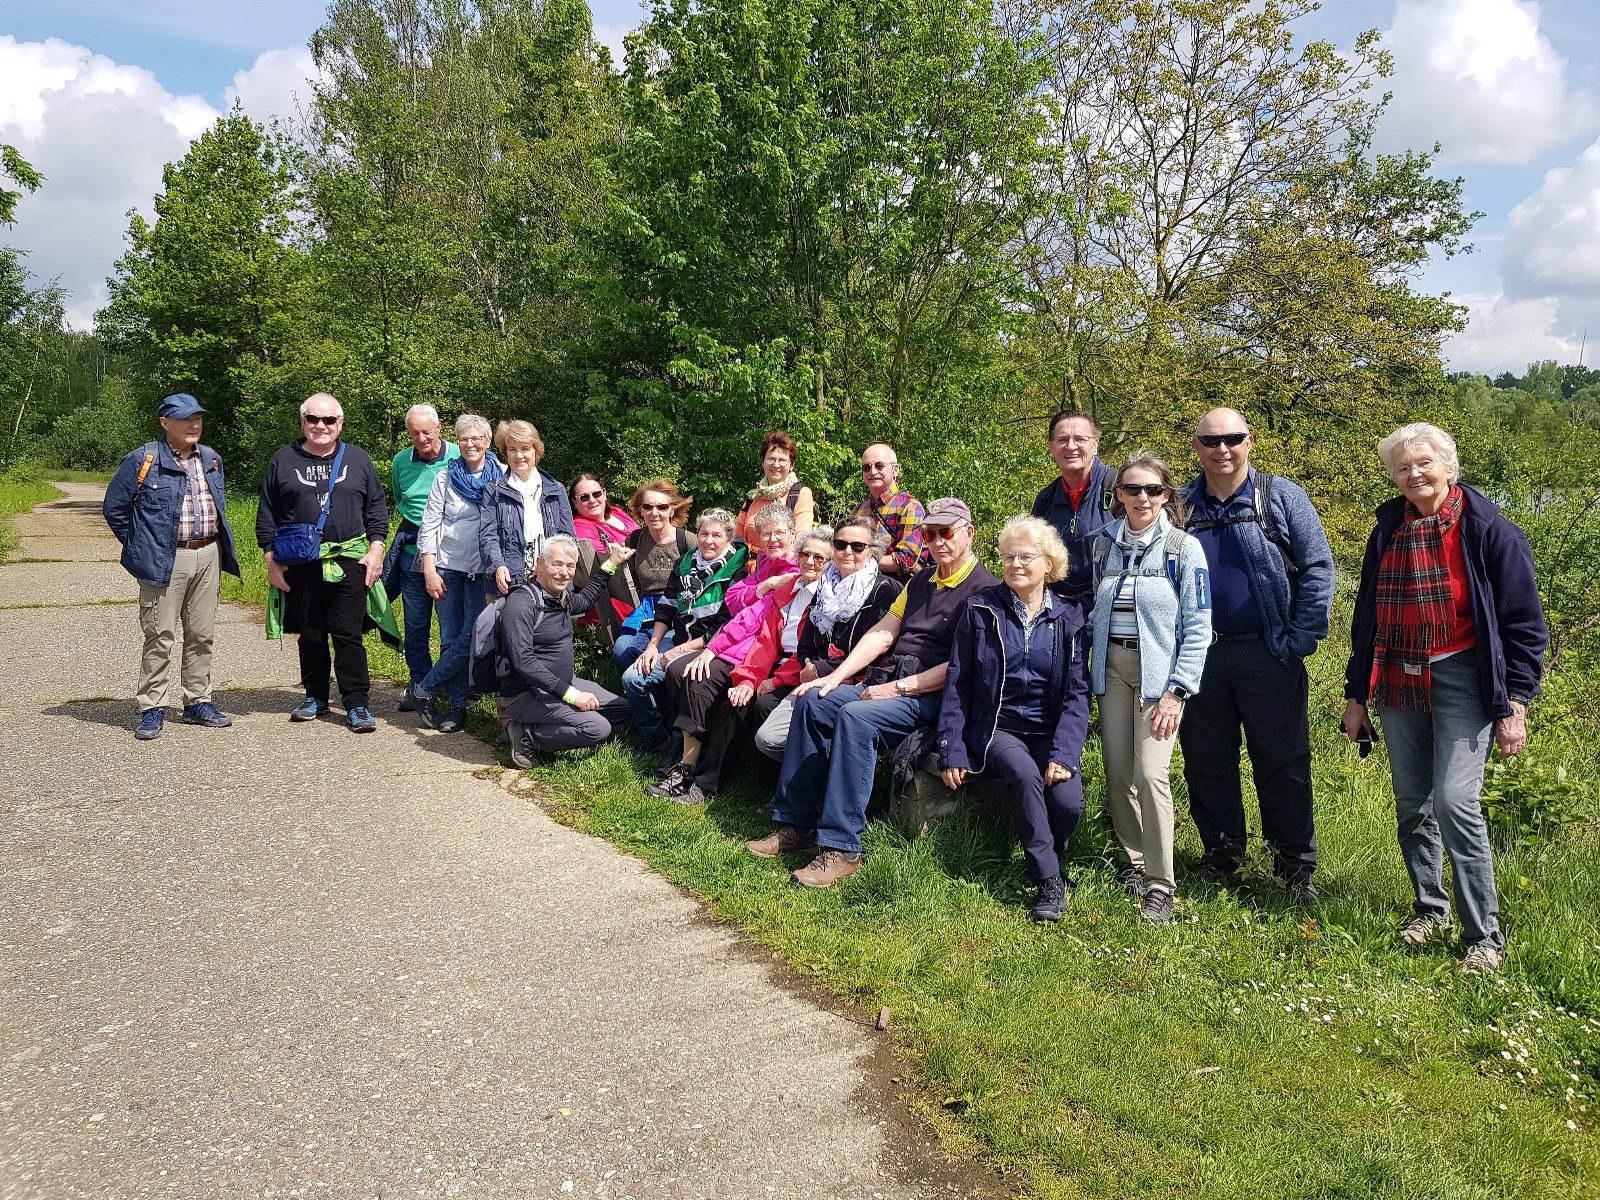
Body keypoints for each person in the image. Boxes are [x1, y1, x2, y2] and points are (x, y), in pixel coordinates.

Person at [1341, 423, 1547, 976]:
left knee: (1456, 803)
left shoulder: (1490, 530)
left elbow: (1524, 626)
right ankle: (1429, 909)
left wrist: (1516, 702)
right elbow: (1368, 618)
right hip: (1399, 676)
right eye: (1403, 468)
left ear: (1448, 466)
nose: (1414, 475)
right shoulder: (1387, 529)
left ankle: (1485, 937)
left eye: (1424, 463)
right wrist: (1356, 693)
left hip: (1465, 677)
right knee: (1413, 803)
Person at [747, 498, 998, 888]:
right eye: (930, 534)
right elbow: (883, 632)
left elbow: (960, 668)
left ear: (969, 533)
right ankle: (795, 825)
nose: (937, 541)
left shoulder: (985, 591)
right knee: (814, 701)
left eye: (946, 532)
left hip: (933, 696)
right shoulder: (920, 581)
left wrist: (896, 688)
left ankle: (842, 848)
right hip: (891, 682)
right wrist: (834, 678)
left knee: (855, 717)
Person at [1177, 407, 1335, 903]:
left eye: (1233, 438)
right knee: (1206, 762)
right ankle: (1224, 858)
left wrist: (1300, 640)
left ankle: (1294, 869)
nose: (1222, 448)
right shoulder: (1180, 505)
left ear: (1250, 442)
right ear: (1197, 446)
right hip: (1199, 657)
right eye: (1211, 440)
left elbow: (1317, 569)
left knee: (1282, 762)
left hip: (1269, 654)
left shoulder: (1279, 497)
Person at [938, 517, 1092, 923]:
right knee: (1025, 776)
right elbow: (958, 681)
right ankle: (1049, 882)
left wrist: (1064, 753)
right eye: (1009, 557)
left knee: (1068, 801)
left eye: (1026, 557)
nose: (1016, 564)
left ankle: (1047, 858)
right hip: (997, 729)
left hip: (1048, 730)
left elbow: (1078, 694)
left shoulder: (1070, 618)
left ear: (1049, 564)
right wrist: (952, 748)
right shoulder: (981, 609)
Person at [1088, 454, 1212, 923]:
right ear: (1118, 494)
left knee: (1152, 775)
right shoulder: (1103, 546)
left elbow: (1198, 625)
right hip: (1111, 671)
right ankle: (1133, 862)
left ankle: (1161, 884)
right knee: (1119, 774)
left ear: (1166, 496)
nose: (1143, 498)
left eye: (1153, 490)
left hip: (1159, 678)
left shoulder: (1183, 549)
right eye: (1133, 489)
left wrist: (1178, 691)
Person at [650, 525, 832, 804]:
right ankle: (686, 766)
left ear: (830, 564)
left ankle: (706, 783)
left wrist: (768, 680)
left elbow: (812, 653)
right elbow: (762, 634)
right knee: (699, 677)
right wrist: (744, 674)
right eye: (806, 554)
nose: (810, 561)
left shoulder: (828, 600)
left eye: (819, 558)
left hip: (794, 672)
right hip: (764, 661)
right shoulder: (788, 588)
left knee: (739, 704)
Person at [102, 393, 241, 740]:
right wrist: (141, 548)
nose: (194, 425)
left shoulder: (211, 459)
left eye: (197, 418)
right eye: (184, 419)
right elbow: (115, 509)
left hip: (208, 554)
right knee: (159, 636)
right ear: (165, 423)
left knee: (201, 634)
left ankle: (197, 702)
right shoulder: (142, 460)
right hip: (165, 559)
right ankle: (152, 707)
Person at [257, 393, 391, 732]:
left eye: (329, 420)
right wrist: (270, 559)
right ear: (302, 422)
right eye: (313, 419)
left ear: (340, 424)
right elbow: (267, 514)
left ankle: (357, 704)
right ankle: (315, 696)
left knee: (348, 635)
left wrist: (376, 550)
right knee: (311, 634)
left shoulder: (358, 460)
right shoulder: (283, 460)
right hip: (301, 563)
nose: (321, 426)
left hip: (349, 559)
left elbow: (376, 509)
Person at [751, 514, 901, 760]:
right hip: (816, 678)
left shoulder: (884, 591)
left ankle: (816, 782)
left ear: (872, 550)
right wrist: (808, 663)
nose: (848, 551)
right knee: (768, 738)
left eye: (858, 546)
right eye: (841, 544)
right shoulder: (825, 586)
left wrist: (818, 668)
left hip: (859, 682)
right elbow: (806, 642)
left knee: (791, 733)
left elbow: (880, 653)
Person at [502, 534, 637, 768]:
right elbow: (523, 661)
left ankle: (555, 723)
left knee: (623, 709)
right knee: (598, 728)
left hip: (562, 684)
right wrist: (572, 696)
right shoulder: (521, 603)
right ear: (539, 564)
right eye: (557, 564)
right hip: (526, 693)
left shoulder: (559, 597)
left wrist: (611, 563)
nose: (564, 572)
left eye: (570, 566)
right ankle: (525, 734)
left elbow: (584, 600)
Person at [621, 509, 748, 751]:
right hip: (678, 640)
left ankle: (681, 745)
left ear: (729, 539)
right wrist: (653, 645)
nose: (708, 540)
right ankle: (656, 739)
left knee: (677, 673)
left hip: (711, 648)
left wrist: (681, 650)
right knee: (632, 678)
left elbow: (724, 625)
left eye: (716, 535)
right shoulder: (685, 562)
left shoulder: (737, 572)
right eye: (704, 534)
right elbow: (667, 606)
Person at [409, 414, 501, 732]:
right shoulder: (445, 476)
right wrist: (429, 569)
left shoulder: (502, 476)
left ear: (488, 442)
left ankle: (424, 689)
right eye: (464, 438)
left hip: (484, 572)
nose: (470, 443)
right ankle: (457, 708)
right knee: (450, 639)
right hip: (448, 567)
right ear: (457, 442)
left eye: (477, 438)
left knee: (472, 636)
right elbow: (430, 523)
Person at [387, 404, 459, 713]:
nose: (422, 438)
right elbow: (399, 498)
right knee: (416, 627)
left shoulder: (459, 455)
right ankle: (419, 685)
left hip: (450, 558)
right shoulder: (401, 461)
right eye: (415, 433)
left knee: (450, 628)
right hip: (412, 554)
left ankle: (449, 685)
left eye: (427, 431)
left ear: (439, 428)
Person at [608, 479, 694, 679]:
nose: (655, 513)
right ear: (641, 511)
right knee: (621, 651)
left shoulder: (687, 541)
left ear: (672, 510)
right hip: (645, 609)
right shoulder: (635, 539)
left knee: (662, 657)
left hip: (676, 610)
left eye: (662, 507)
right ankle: (635, 695)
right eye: (648, 507)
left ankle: (655, 695)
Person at [479, 419, 575, 595]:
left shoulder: (556, 489)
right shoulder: (494, 490)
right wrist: (498, 566)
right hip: (509, 580)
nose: (519, 456)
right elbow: (488, 535)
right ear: (505, 453)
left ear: (536, 451)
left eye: (525, 449)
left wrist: (548, 567)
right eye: (512, 450)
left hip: (551, 578)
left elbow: (568, 538)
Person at [1030, 410, 1116, 600]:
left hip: (1109, 608)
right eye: (1062, 440)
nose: (1070, 446)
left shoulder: (1121, 489)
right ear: (1051, 447)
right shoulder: (1045, 500)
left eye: (1080, 439)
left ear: (1095, 444)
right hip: (1060, 612)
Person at [569, 472, 640, 632]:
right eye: (584, 497)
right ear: (575, 501)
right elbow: (603, 558)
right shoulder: (580, 527)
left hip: (641, 583)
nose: (592, 500)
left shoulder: (617, 512)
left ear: (604, 493)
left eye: (596, 494)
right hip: (614, 600)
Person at [846, 442, 926, 578]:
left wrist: (858, 560)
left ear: (895, 470)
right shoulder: (860, 509)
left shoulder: (909, 507)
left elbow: (906, 561)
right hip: (859, 584)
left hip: (897, 589)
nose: (872, 472)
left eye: (879, 466)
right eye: (866, 467)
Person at [734, 429, 815, 545]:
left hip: (782, 562)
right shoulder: (753, 497)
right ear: (763, 462)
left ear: (791, 465)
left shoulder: (800, 494)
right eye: (771, 459)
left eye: (782, 460)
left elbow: (800, 540)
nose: (776, 465)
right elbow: (737, 539)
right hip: (748, 562)